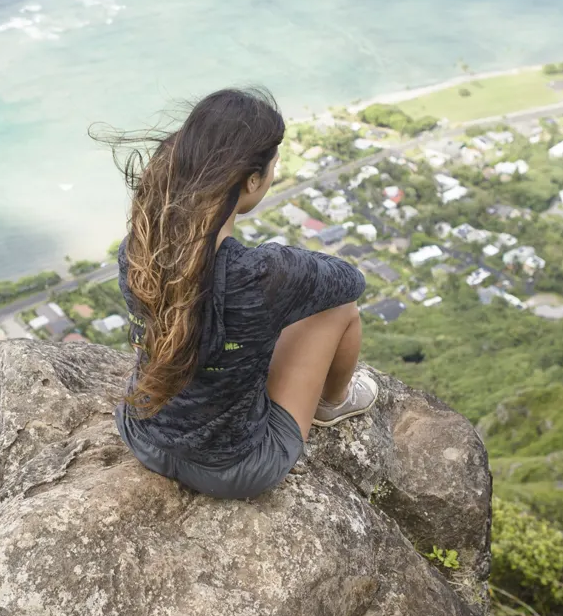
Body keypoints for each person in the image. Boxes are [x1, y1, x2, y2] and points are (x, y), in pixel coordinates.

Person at [107, 87, 377, 500]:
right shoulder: (262, 275)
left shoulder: (140, 247)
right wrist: (285, 261)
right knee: (340, 309)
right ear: (252, 179)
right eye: (271, 167)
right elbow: (350, 281)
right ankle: (334, 403)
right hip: (235, 468)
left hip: (142, 436)